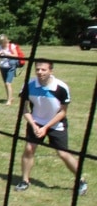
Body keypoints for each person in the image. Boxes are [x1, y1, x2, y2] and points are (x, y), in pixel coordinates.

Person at [14, 59, 87, 195]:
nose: (40, 72)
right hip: (36, 123)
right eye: (37, 69)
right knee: (29, 149)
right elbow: (24, 109)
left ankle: (81, 180)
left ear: (51, 71)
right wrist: (34, 125)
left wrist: (46, 127)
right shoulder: (28, 86)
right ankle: (25, 180)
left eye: (44, 69)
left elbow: (63, 112)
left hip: (56, 124)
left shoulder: (61, 87)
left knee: (63, 154)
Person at [0, 34, 18, 106]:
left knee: (8, 83)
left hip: (10, 66)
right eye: (1, 42)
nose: (2, 44)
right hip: (2, 67)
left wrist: (6, 53)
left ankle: (9, 101)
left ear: (6, 40)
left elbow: (16, 55)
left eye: (3, 42)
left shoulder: (11, 46)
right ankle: (10, 97)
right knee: (5, 83)